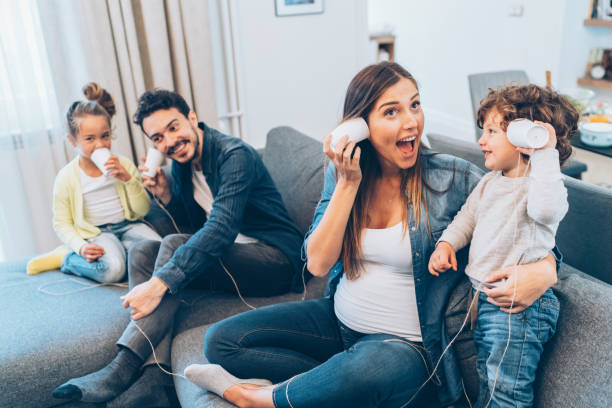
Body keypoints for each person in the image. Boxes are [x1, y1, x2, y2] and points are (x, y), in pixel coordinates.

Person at [182, 62, 560, 408]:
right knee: (221, 341)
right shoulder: (344, 173)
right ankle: (327, 387)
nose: (411, 122)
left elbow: (532, 230)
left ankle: (258, 398)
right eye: (391, 111)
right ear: (361, 124)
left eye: (415, 105)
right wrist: (348, 184)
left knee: (368, 368)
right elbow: (317, 262)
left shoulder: (453, 177)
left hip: (406, 350)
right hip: (337, 322)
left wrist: (545, 271)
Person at [51, 89, 304, 406]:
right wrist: (166, 195)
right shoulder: (183, 163)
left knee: (169, 247)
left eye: (173, 128)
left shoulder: (233, 155)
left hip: (273, 259)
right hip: (232, 257)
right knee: (144, 249)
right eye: (157, 138)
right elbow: (190, 225)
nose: (168, 142)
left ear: (192, 119)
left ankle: (122, 367)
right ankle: (154, 379)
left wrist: (158, 285)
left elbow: (220, 229)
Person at [429, 84, 577, 408]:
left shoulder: (539, 187)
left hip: (518, 310)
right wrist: (447, 243)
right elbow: (467, 217)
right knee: (488, 384)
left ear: (525, 136)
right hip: (485, 301)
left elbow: (548, 210)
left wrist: (545, 153)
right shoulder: (490, 182)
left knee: (506, 393)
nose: (482, 140)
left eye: (493, 131)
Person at [26, 83, 161, 282]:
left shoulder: (123, 165)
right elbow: (61, 223)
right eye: (90, 139)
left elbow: (142, 211)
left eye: (105, 136)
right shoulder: (66, 178)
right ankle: (66, 258)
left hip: (128, 226)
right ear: (73, 141)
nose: (100, 144)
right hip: (97, 233)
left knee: (163, 251)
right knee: (113, 271)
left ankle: (122, 250)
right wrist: (80, 246)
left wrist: (129, 180)